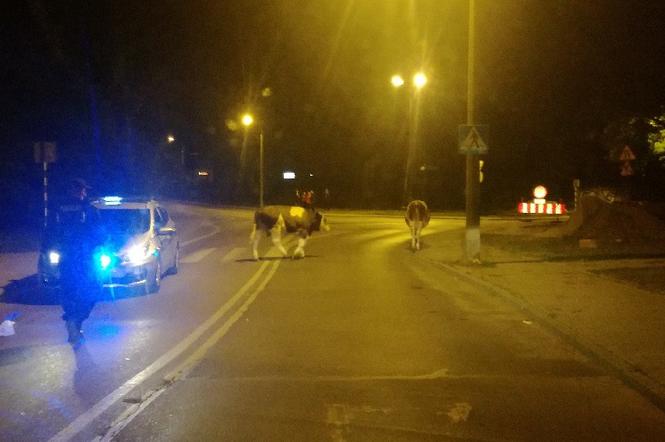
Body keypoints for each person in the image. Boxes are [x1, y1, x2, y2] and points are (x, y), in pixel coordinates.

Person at [50, 179, 104, 346]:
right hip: (84, 260)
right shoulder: (89, 209)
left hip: (68, 259)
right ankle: (75, 322)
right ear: (76, 191)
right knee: (91, 291)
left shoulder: (57, 208)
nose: (84, 193)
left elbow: (50, 232)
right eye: (82, 190)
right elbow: (99, 232)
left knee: (71, 292)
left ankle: (73, 323)